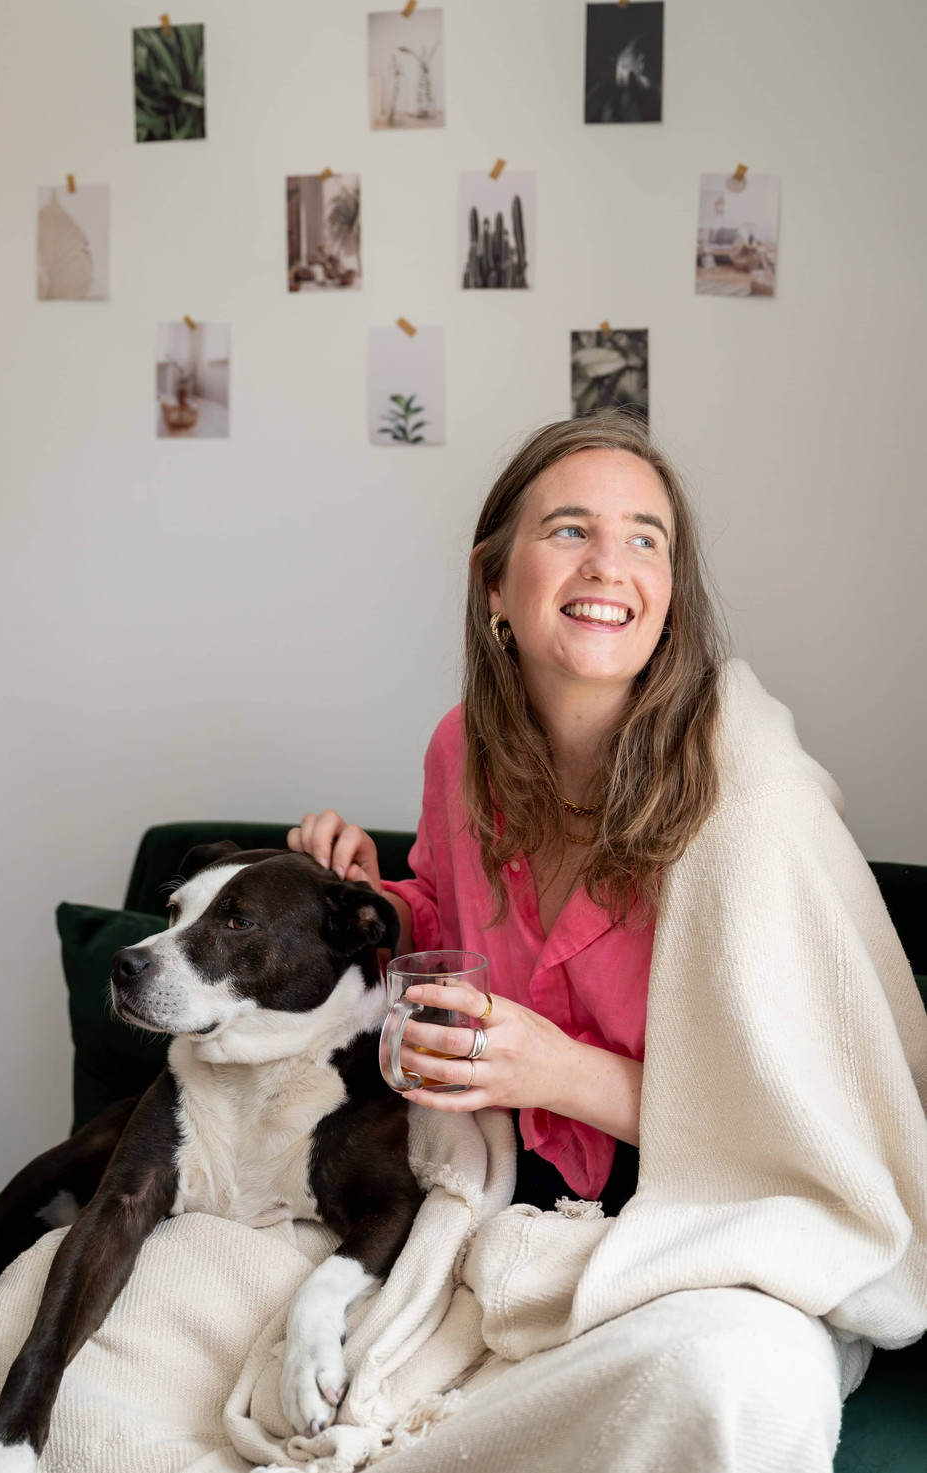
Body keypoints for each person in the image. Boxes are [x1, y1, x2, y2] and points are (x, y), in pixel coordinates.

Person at [288, 412, 927, 1471]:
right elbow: (458, 927)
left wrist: (560, 1070)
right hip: (523, 1197)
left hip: (722, 1230)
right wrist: (370, 897)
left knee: (740, 1384)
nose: (609, 565)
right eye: (569, 529)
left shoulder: (746, 801)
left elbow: (804, 1125)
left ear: (669, 594)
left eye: (645, 539)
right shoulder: (460, 752)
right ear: (493, 583)